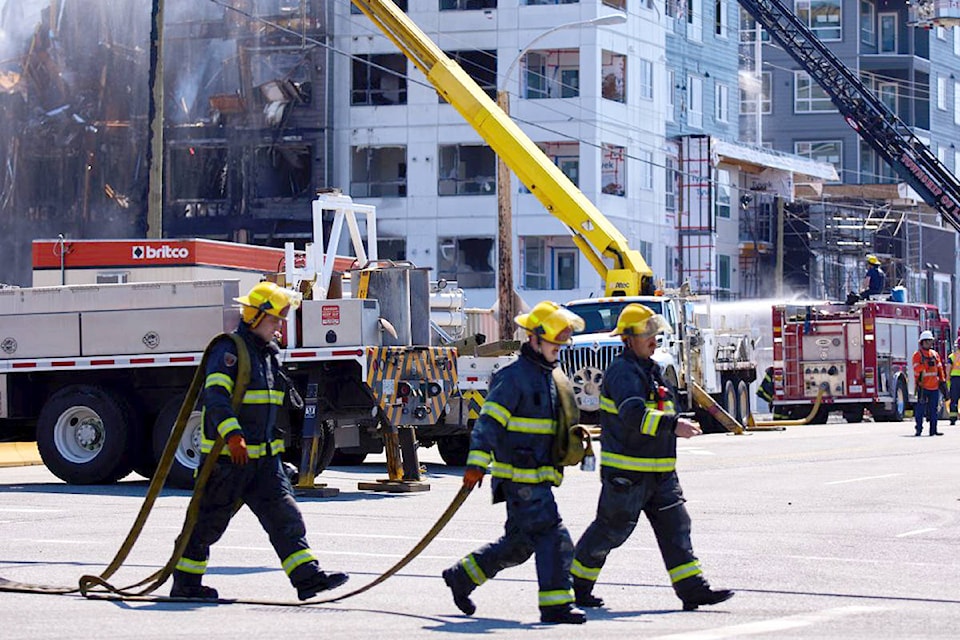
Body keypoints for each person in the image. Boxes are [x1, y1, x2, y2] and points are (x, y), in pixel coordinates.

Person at [170, 281, 349, 600]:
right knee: (207, 524)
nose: (280, 326)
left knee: (286, 517)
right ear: (254, 317)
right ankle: (186, 585)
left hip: (265, 462)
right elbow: (215, 396)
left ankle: (307, 579)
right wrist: (233, 435)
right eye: (275, 319)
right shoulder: (229, 350)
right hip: (228, 461)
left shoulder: (268, 356)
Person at [570, 304, 734, 611]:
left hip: (660, 473)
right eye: (647, 334)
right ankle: (576, 586)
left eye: (654, 333)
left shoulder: (651, 370)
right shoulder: (623, 373)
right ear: (628, 338)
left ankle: (693, 589)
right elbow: (633, 414)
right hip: (627, 475)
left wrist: (674, 423)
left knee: (677, 528)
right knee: (611, 531)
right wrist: (673, 425)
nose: (653, 339)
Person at [441, 300, 588, 625]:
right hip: (521, 480)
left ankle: (462, 576)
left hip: (538, 478)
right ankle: (556, 606)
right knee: (554, 536)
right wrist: (476, 464)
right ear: (534, 338)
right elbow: (488, 424)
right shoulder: (513, 377)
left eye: (562, 343)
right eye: (554, 342)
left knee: (519, 545)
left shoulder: (548, 377)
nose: (559, 349)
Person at [912, 330, 947, 437]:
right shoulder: (917, 355)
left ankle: (933, 430)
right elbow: (916, 369)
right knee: (920, 410)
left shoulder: (935, 355)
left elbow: (940, 369)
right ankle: (918, 429)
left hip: (934, 387)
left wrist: (943, 382)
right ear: (922, 342)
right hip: (922, 387)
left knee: (934, 410)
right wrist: (926, 365)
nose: (929, 343)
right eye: (927, 341)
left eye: (930, 341)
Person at [949, 338, 960, 426]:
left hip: (955, 379)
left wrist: (947, 379)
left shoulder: (952, 356)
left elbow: (948, 368)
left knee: (954, 400)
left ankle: (953, 418)